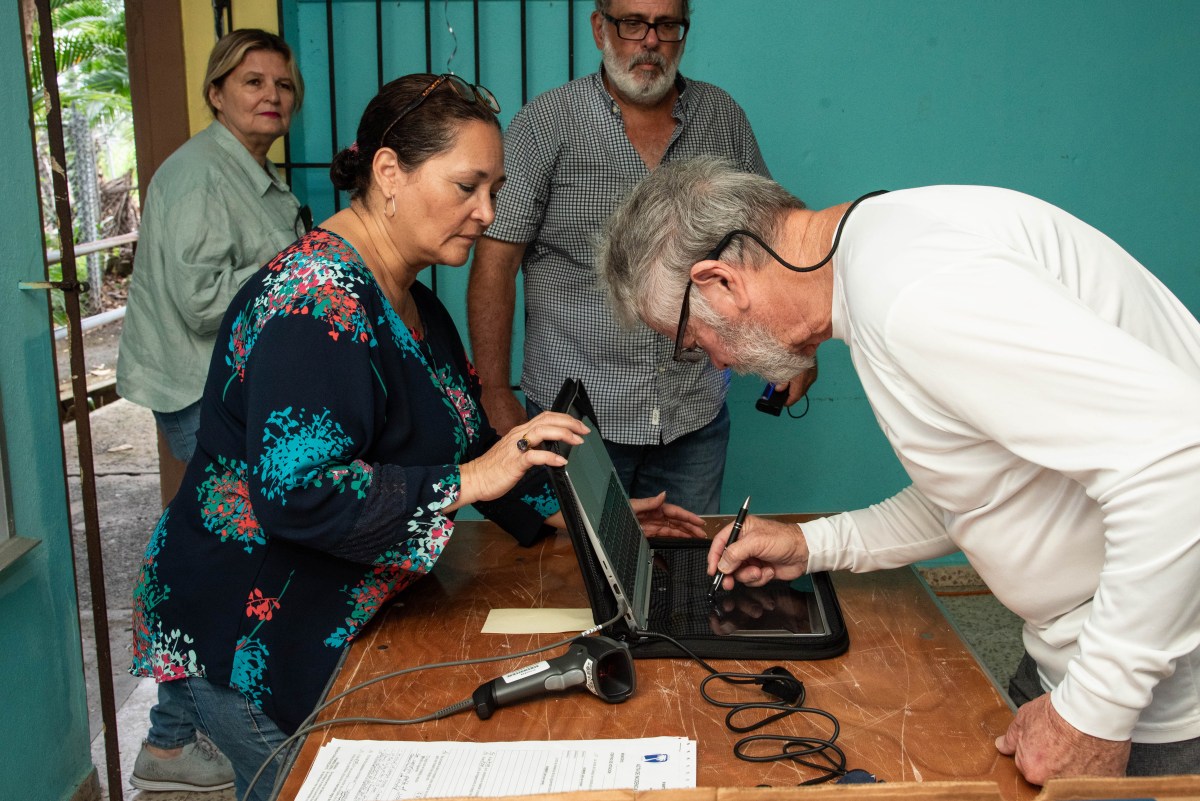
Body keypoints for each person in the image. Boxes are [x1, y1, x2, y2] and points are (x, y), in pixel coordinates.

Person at [127, 73, 705, 801]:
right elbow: (299, 494)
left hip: (340, 613)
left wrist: (565, 516)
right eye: (467, 186)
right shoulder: (314, 302)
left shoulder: (416, 300)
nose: (487, 212)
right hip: (249, 628)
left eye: (494, 189)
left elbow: (465, 437)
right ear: (389, 172)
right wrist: (469, 482)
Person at [595, 157, 1200, 784]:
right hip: (1075, 662)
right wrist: (812, 544)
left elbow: (1177, 462)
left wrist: (1092, 716)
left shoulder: (915, 296)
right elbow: (981, 490)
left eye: (692, 342)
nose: (716, 362)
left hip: (1162, 701)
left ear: (720, 281)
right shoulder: (883, 253)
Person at [467, 0, 808, 515]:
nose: (650, 40)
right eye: (632, 23)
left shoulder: (722, 117)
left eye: (667, 24)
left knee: (686, 572)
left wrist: (798, 347)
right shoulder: (546, 123)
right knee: (570, 578)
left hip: (694, 417)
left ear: (683, 32)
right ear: (600, 27)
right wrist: (493, 390)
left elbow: (773, 242)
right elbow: (496, 261)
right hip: (575, 424)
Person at [116, 28, 308, 793]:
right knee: (212, 562)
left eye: (282, 85)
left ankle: (171, 735)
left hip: (229, 389)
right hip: (201, 392)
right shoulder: (200, 175)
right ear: (216, 92)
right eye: (253, 81)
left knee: (208, 556)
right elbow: (203, 302)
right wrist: (292, 267)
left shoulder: (248, 169)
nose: (271, 95)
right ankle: (170, 737)